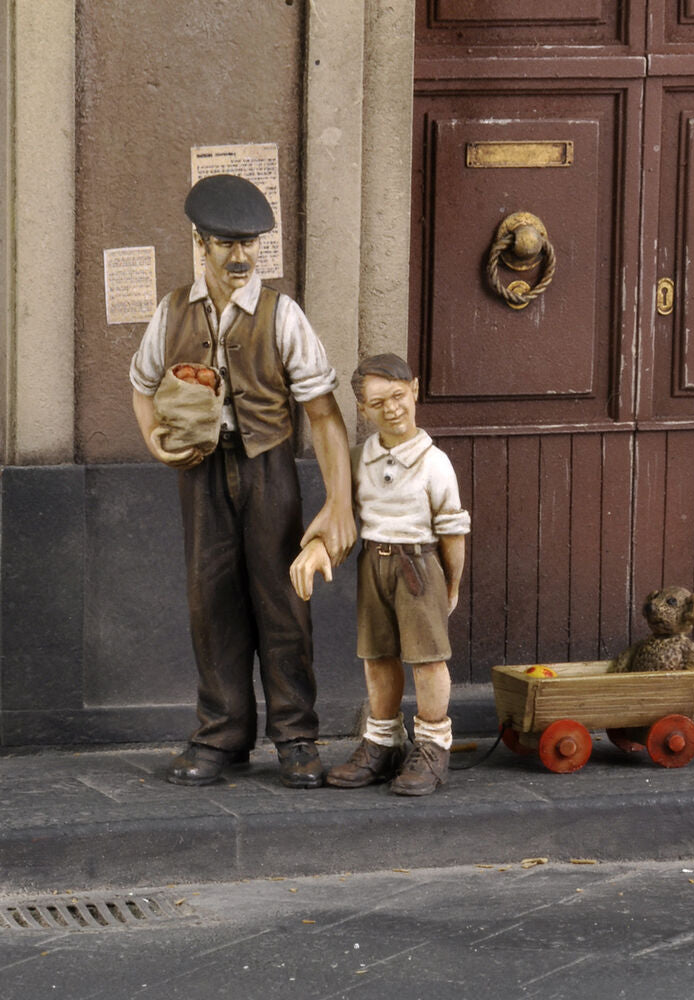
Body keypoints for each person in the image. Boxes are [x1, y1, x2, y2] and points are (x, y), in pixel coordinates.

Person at [130, 174, 355, 788]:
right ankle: (221, 736)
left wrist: (339, 502)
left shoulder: (283, 315)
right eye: (227, 243)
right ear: (200, 242)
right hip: (199, 473)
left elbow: (324, 414)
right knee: (212, 601)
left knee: (283, 601)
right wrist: (154, 438)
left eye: (250, 244)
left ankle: (296, 737)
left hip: (268, 470)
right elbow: (142, 382)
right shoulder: (172, 309)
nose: (239, 256)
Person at [290, 354, 470, 796]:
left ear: (414, 389)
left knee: (427, 660)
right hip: (373, 564)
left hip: (418, 567)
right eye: (377, 402)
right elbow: (339, 513)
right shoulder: (357, 459)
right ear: (364, 411)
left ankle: (432, 745)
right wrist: (316, 546)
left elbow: (451, 531)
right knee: (378, 657)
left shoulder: (434, 463)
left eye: (397, 396)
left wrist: (452, 582)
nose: (391, 409)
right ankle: (382, 743)